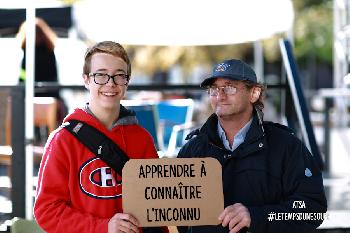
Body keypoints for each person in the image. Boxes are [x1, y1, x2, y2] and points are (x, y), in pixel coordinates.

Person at [177, 59, 327, 233]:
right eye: (214, 89)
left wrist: (257, 217)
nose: (220, 96)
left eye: (229, 87)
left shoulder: (286, 146)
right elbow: (172, 216)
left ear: (254, 93)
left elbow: (311, 211)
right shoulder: (193, 149)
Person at [34, 41, 168, 233]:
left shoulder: (142, 139)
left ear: (127, 82)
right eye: (101, 75)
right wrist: (103, 227)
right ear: (86, 80)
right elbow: (47, 211)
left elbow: (157, 207)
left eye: (119, 76)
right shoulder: (63, 140)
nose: (111, 83)